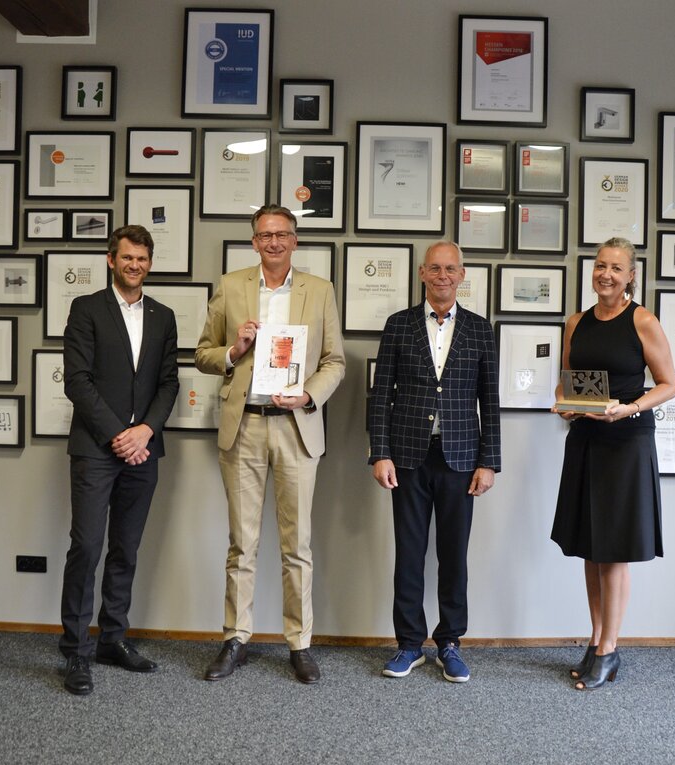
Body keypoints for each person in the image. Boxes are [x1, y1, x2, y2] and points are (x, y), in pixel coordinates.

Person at [195, 204, 345, 684]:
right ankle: (235, 639)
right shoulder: (231, 286)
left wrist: (308, 395)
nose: (274, 242)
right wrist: (234, 349)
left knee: (296, 545)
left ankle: (299, 643)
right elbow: (203, 354)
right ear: (254, 241)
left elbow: (335, 362)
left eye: (282, 234)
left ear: (294, 240)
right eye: (265, 235)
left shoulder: (319, 290)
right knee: (242, 544)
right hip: (244, 427)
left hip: (295, 427)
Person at [368, 241, 501, 683]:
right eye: (435, 268)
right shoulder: (398, 325)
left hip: (461, 459)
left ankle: (449, 642)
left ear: (462, 275)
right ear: (423, 273)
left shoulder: (480, 329)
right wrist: (380, 452)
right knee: (409, 554)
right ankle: (409, 644)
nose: (443, 275)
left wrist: (489, 462)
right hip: (407, 457)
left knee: (453, 555)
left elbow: (490, 400)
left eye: (450, 269)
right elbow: (380, 395)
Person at [551, 237, 675, 690]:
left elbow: (669, 384)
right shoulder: (576, 322)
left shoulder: (642, 320)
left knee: (614, 551)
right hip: (586, 439)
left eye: (616, 268)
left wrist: (630, 408)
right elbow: (567, 382)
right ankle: (596, 639)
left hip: (626, 442)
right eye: (600, 265)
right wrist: (564, 405)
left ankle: (610, 648)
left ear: (630, 276)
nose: (606, 274)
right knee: (590, 547)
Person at [59, 225, 179, 695]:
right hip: (96, 449)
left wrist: (144, 431)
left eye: (142, 259)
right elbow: (77, 381)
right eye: (127, 257)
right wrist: (119, 435)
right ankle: (76, 649)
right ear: (111, 260)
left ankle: (112, 639)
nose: (135, 265)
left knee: (126, 548)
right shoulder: (86, 309)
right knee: (86, 547)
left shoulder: (164, 316)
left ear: (150, 263)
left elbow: (168, 382)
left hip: (144, 450)